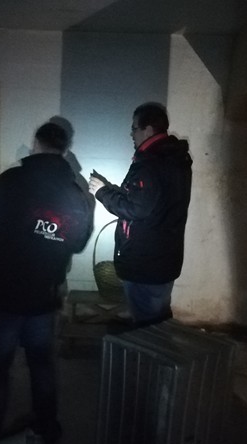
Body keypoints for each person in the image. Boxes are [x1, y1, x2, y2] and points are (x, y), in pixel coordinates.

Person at [0, 122, 94, 444]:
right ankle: (47, 428)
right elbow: (78, 243)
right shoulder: (73, 191)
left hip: (2, 295)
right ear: (65, 149)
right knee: (41, 365)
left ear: (35, 143)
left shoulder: (8, 182)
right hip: (43, 296)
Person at [88, 102, 192, 327]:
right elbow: (150, 201)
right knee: (158, 320)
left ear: (148, 129)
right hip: (163, 258)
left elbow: (136, 209)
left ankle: (149, 346)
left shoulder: (150, 163)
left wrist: (102, 192)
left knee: (148, 329)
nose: (131, 135)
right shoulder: (174, 158)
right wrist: (114, 191)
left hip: (146, 263)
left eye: (134, 129)